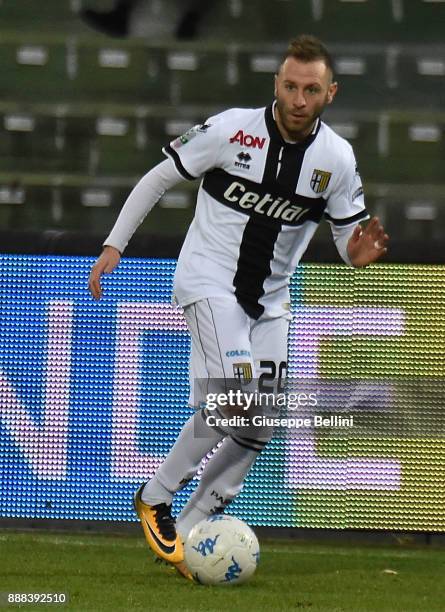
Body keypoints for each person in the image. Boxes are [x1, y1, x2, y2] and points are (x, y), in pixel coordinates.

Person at [88, 34, 389, 580]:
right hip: (209, 282)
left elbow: (347, 239)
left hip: (271, 302)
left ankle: (195, 531)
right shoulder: (231, 129)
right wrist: (115, 244)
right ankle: (155, 497)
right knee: (234, 404)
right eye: (290, 86)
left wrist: (356, 255)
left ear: (330, 93)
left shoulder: (337, 160)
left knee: (259, 423)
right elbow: (159, 177)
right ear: (276, 84)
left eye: (311, 90)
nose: (299, 99)